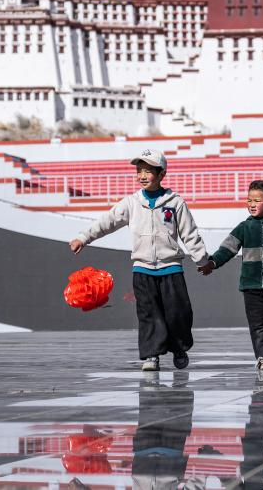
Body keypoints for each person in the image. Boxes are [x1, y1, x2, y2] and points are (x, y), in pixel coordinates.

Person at [70, 149, 209, 372]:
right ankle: (151, 355)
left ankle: (179, 348)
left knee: (179, 314)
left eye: (148, 171)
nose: (142, 176)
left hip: (171, 268)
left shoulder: (175, 202)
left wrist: (202, 260)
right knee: (148, 315)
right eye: (139, 171)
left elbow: (189, 233)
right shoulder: (131, 203)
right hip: (143, 270)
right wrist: (84, 237)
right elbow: (107, 221)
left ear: (162, 174)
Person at [204, 180, 263, 370]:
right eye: (249, 200)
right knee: (258, 323)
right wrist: (213, 263)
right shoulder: (243, 227)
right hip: (251, 286)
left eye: (257, 200)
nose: (252, 204)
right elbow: (227, 249)